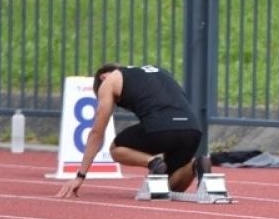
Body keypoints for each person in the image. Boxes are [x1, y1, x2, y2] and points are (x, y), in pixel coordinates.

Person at [57, 63, 204, 198]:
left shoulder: (110, 80)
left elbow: (97, 133)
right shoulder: (158, 71)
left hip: (161, 128)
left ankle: (153, 162)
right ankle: (197, 164)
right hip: (193, 130)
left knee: (116, 148)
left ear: (103, 76)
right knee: (166, 187)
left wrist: (80, 176)